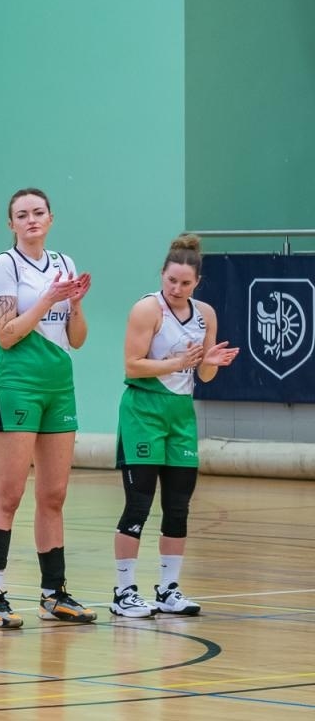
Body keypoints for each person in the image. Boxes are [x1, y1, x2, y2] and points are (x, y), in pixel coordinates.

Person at [0, 188, 96, 628]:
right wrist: (47, 299)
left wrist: (76, 305)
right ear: (11, 224)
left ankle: (54, 593)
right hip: (19, 386)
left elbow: (78, 339)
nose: (31, 220)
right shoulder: (4, 266)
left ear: (51, 217)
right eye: (22, 215)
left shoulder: (63, 263)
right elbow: (6, 335)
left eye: (38, 212)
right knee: (9, 493)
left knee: (54, 494)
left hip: (58, 385)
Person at [110, 234, 237, 618]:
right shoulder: (148, 310)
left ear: (197, 282)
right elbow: (132, 364)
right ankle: (124, 592)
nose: (177, 288)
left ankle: (168, 590)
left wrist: (209, 361)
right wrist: (177, 363)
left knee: (178, 506)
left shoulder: (205, 314)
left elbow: (207, 375)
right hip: (143, 411)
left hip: (180, 413)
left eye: (185, 283)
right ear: (161, 275)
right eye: (171, 281)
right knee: (138, 504)